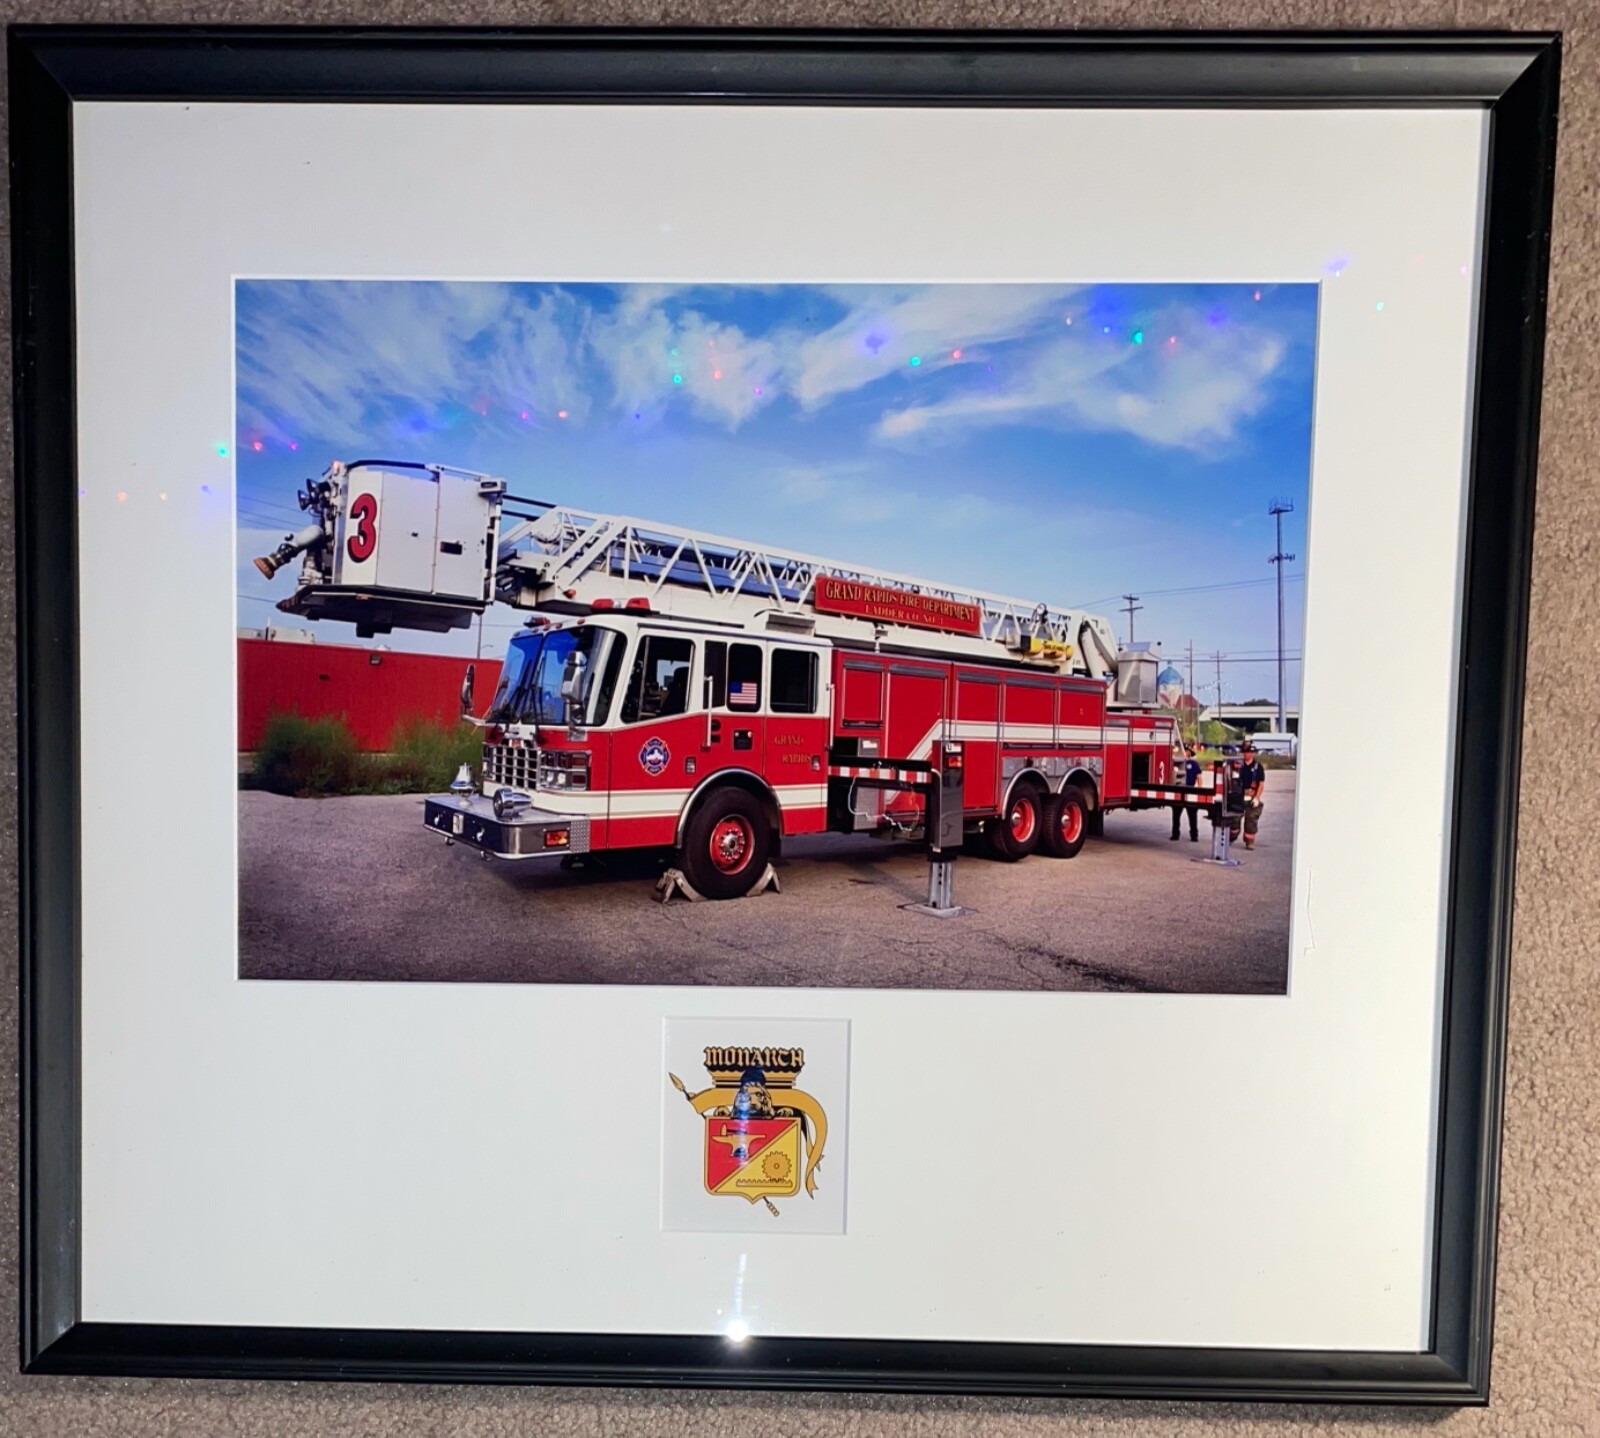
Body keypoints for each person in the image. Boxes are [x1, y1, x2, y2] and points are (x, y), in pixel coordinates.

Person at [1236, 740, 1266, 849]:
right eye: (1244, 752)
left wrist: (1257, 798)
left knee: (1251, 819)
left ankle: (1249, 841)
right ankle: (1231, 836)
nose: (1246, 754)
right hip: (1238, 797)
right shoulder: (1238, 766)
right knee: (1234, 819)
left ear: (1253, 753)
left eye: (1248, 752)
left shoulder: (1258, 767)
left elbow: (1261, 784)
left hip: (1252, 797)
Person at [1170, 741, 1201, 842]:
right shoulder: (1176, 762)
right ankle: (1175, 834)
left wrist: (1199, 790)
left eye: (1186, 750)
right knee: (1176, 815)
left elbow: (1199, 777)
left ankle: (1194, 835)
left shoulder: (1194, 764)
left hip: (1190, 790)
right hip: (1178, 790)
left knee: (1192, 815)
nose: (1185, 752)